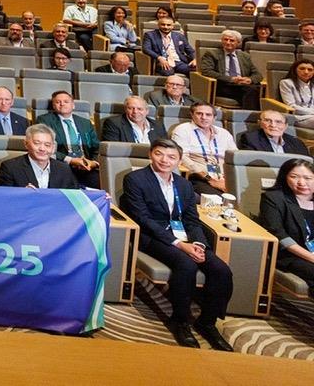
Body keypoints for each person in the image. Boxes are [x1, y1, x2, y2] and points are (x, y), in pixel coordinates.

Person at [120, 138, 234, 350]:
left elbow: (191, 220)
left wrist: (199, 244)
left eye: (171, 157)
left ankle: (207, 322)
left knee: (221, 270)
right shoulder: (135, 179)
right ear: (150, 154)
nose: (165, 160)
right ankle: (180, 320)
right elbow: (143, 218)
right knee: (186, 265)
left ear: (179, 161)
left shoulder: (184, 185)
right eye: (159, 154)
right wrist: (180, 245)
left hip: (184, 235)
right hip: (152, 236)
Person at [257, 157, 314, 285]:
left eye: (308, 178)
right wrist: (311, 257)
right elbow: (279, 234)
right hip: (291, 255)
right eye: (294, 177)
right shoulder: (273, 198)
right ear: (285, 177)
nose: (301, 182)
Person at [170, 101, 237, 195]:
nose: (204, 117)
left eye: (208, 115)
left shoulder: (224, 133)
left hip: (225, 176)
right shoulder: (183, 130)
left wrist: (228, 178)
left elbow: (235, 158)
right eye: (199, 114)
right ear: (192, 115)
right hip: (199, 177)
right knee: (219, 198)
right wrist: (210, 179)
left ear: (214, 118)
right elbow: (182, 157)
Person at [37, 90, 100, 188]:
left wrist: (93, 163)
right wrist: (71, 160)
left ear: (73, 105)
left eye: (66, 101)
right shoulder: (45, 120)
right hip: (62, 165)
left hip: (86, 166)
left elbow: (96, 147)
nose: (62, 104)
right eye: (58, 102)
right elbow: (46, 148)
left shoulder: (85, 123)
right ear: (53, 106)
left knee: (99, 183)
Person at [0, 124, 78, 189]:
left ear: (53, 147)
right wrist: (22, 195)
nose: (42, 149)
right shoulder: (10, 168)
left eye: (47, 145)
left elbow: (73, 197)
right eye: (37, 143)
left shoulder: (64, 169)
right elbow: (4, 199)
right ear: (26, 144)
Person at [197, 29, 262, 109]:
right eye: (225, 39)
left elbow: (258, 75)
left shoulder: (245, 56)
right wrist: (231, 79)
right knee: (252, 92)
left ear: (238, 43)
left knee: (255, 89)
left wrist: (250, 80)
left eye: (232, 40)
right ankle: (249, 115)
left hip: (242, 86)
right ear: (222, 41)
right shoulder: (212, 54)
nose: (228, 42)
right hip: (223, 85)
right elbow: (207, 71)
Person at [236, 109, 310, 155]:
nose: (273, 125)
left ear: (285, 126)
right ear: (260, 123)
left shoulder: (297, 142)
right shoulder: (251, 139)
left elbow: (307, 164)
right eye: (268, 121)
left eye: (278, 122)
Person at [100, 95, 167, 144]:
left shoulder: (158, 125)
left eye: (140, 109)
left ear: (147, 111)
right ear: (125, 110)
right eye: (131, 108)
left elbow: (165, 147)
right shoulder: (114, 123)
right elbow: (112, 150)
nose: (135, 112)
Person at [279, 58, 314, 127]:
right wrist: (312, 112)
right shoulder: (286, 83)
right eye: (302, 69)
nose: (306, 72)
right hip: (298, 117)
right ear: (295, 70)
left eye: (310, 70)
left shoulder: (313, 85)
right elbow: (291, 106)